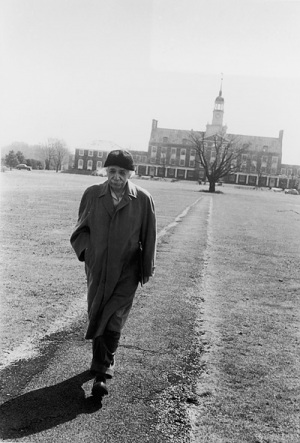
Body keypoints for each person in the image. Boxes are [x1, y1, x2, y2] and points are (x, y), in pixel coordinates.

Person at [70, 149, 156, 399]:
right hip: (98, 269)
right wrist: (89, 253)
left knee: (114, 316)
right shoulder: (92, 194)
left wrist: (146, 267)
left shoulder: (142, 198)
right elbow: (80, 230)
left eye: (121, 172)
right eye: (111, 171)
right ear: (105, 172)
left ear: (129, 173)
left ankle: (102, 374)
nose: (116, 177)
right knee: (97, 312)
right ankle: (103, 364)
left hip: (127, 270)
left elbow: (149, 236)